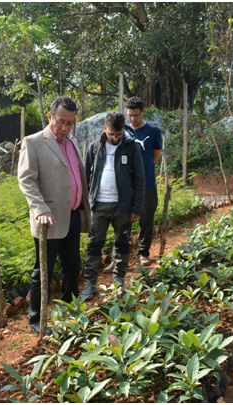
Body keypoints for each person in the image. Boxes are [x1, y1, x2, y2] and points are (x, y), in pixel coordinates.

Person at [18, 96, 92, 335]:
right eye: (60, 121)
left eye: (69, 123)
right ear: (50, 117)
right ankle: (36, 319)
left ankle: (70, 310)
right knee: (44, 271)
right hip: (47, 221)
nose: (64, 127)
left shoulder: (72, 142)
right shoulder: (34, 142)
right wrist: (40, 209)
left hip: (71, 216)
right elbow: (26, 180)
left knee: (72, 266)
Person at [80, 112, 145, 297]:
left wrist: (136, 209)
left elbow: (139, 180)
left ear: (123, 129)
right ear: (104, 130)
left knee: (122, 243)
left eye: (119, 134)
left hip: (122, 207)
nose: (115, 138)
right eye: (111, 134)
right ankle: (90, 283)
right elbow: (85, 177)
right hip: (98, 206)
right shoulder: (94, 147)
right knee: (94, 244)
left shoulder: (132, 148)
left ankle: (118, 280)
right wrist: (86, 204)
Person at [125, 97, 162, 267]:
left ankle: (143, 253)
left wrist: (143, 171)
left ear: (143, 112)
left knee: (146, 218)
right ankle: (120, 255)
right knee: (122, 220)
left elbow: (155, 156)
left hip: (147, 183)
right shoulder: (123, 130)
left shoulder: (153, 131)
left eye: (136, 115)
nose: (133, 119)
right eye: (129, 115)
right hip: (126, 184)